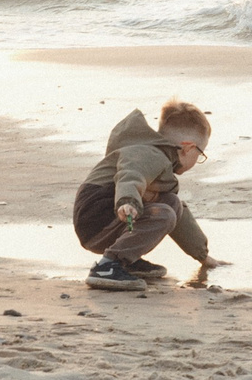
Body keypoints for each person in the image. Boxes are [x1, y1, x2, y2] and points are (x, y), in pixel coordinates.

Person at [72, 99, 223, 291]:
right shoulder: (148, 154)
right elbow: (130, 174)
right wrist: (127, 201)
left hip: (110, 215)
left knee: (172, 204)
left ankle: (126, 260)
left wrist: (202, 256)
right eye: (200, 155)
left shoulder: (161, 162)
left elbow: (181, 218)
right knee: (164, 214)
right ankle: (107, 267)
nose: (198, 160)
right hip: (97, 217)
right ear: (188, 148)